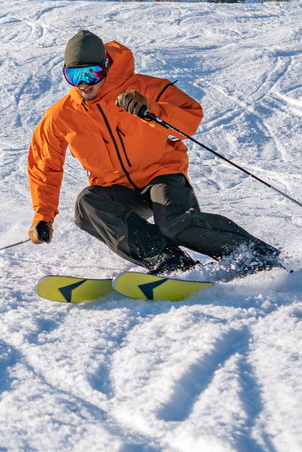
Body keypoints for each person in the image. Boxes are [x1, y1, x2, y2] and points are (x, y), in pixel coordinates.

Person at [27, 29, 281, 275]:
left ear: (104, 67)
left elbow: (190, 118)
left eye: (91, 74)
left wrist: (152, 109)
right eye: (74, 76)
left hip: (162, 176)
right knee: (87, 206)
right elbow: (44, 165)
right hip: (118, 190)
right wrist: (43, 216)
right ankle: (170, 261)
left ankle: (253, 253)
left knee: (173, 224)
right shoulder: (60, 116)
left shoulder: (143, 89)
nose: (83, 84)